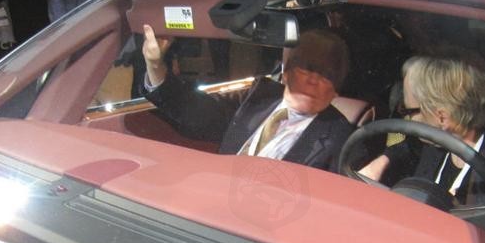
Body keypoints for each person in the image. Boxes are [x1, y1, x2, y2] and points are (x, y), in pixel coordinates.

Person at [140, 24, 354, 171]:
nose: (313, 80)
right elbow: (196, 113)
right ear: (286, 73)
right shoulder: (259, 96)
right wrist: (155, 64)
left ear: (335, 92)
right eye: (308, 68)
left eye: (326, 75)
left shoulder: (342, 138)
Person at [360, 51, 485, 215]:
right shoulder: (434, 144)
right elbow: (408, 146)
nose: (406, 118)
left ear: (442, 118)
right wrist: (382, 161)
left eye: (408, 110)